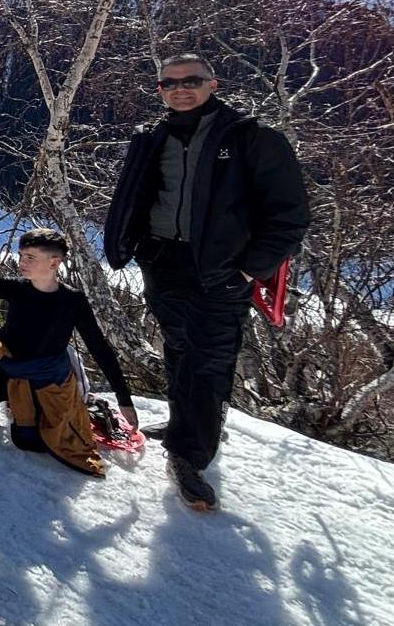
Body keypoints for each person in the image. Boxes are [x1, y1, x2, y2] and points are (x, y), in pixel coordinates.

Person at [104, 53, 310, 509]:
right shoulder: (155, 137)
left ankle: (190, 455)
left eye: (191, 80)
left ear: (212, 84)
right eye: (170, 83)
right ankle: (185, 425)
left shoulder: (251, 138)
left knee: (210, 360)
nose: (181, 89)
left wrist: (248, 269)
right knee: (179, 348)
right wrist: (137, 248)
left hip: (221, 270)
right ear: (160, 90)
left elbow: (291, 215)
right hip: (163, 261)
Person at [0, 229, 137, 479]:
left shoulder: (72, 301)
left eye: (30, 257)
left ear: (54, 263)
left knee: (30, 442)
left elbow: (100, 349)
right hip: (4, 364)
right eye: (21, 255)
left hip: (45, 376)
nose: (21, 262)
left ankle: (34, 403)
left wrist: (124, 398)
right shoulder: (16, 288)